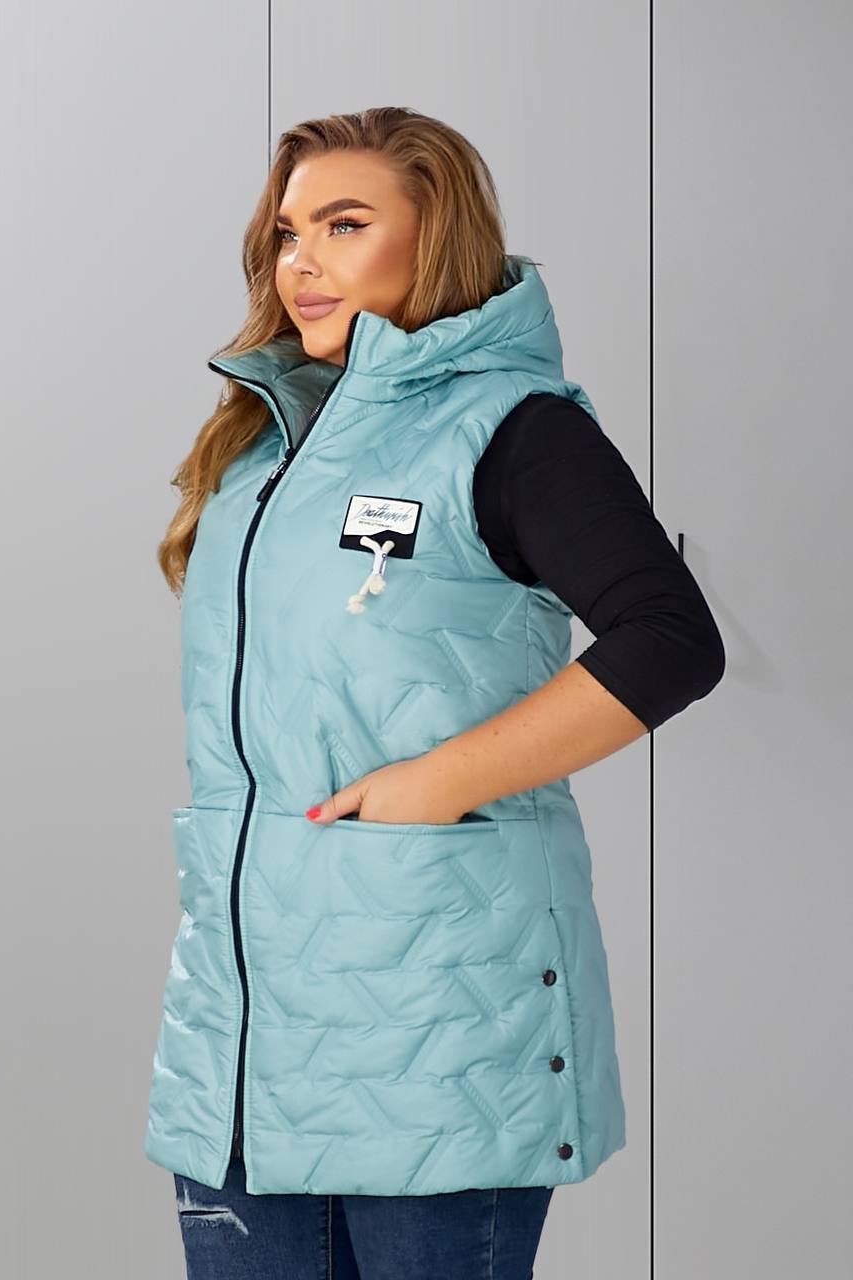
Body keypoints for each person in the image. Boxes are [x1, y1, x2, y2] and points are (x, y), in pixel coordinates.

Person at [146, 106, 725, 1279]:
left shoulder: (512, 429)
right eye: (287, 232)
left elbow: (672, 638)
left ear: (437, 235)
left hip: (440, 1031)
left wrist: (437, 781)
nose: (301, 261)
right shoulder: (261, 447)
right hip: (243, 1039)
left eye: (344, 224)